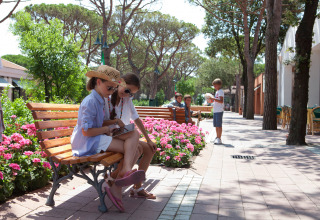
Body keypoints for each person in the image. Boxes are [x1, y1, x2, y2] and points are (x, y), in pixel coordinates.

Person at [71, 65, 144, 212]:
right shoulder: (90, 101)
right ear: (98, 82)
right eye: (110, 88)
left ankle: (121, 176)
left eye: (113, 88)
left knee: (134, 135)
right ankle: (118, 182)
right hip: (88, 142)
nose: (112, 92)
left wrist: (114, 122)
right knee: (133, 148)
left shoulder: (101, 98)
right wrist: (107, 129)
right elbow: (86, 132)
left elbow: (99, 122)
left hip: (97, 137)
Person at [103, 73, 157, 199]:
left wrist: (148, 139)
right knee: (138, 148)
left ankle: (137, 188)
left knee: (150, 149)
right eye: (127, 90)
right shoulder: (107, 97)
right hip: (110, 136)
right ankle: (114, 178)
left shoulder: (127, 100)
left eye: (131, 93)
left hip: (123, 135)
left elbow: (136, 119)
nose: (127, 94)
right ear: (120, 82)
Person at [209, 78, 224, 144]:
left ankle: (219, 138)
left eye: (215, 85)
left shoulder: (220, 91)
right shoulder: (217, 92)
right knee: (216, 125)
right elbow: (217, 100)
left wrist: (213, 98)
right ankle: (217, 137)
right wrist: (212, 100)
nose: (214, 87)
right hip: (215, 110)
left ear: (219, 85)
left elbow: (221, 101)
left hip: (219, 110)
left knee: (219, 125)